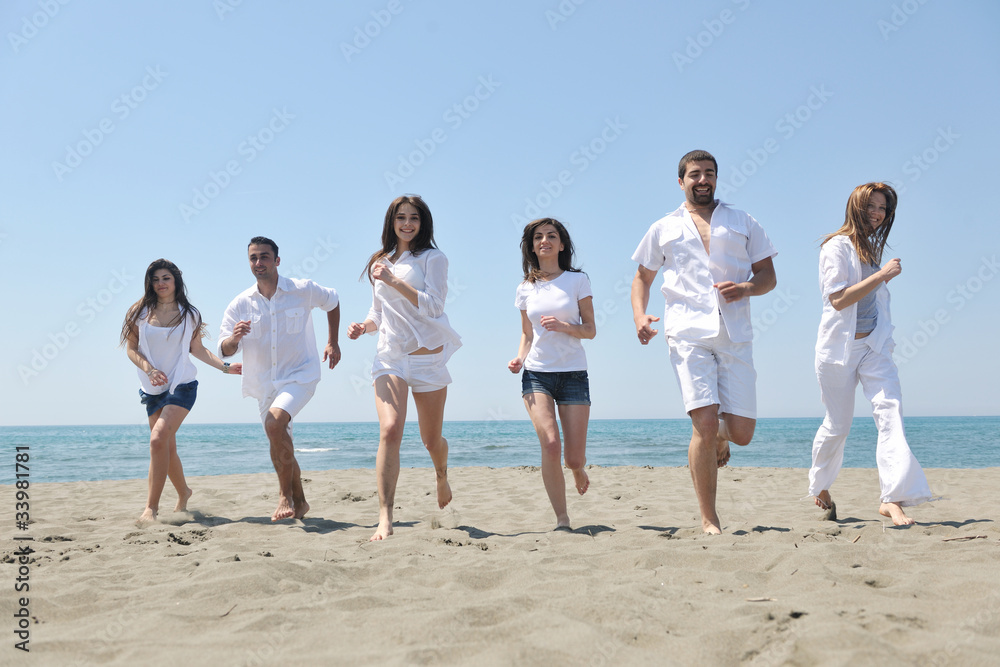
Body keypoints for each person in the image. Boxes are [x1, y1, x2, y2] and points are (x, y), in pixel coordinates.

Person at [631, 149, 777, 534]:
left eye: (709, 173)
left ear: (716, 178)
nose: (702, 179)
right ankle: (709, 518)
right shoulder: (663, 227)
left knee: (741, 433)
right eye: (694, 174)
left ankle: (722, 438)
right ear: (681, 181)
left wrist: (745, 287)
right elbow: (642, 278)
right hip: (686, 333)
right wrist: (640, 316)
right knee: (705, 424)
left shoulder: (743, 221)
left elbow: (768, 276)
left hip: (735, 334)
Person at [809, 182, 932, 525]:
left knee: (890, 412)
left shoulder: (871, 249)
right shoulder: (835, 247)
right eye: (872, 207)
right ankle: (819, 485)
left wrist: (880, 277)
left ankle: (892, 498)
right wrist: (881, 275)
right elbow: (838, 299)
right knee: (838, 425)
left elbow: (870, 298)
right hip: (839, 351)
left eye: (883, 209)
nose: (877, 214)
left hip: (875, 346)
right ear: (856, 207)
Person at [347, 195, 461, 541]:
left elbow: (434, 305)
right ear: (391, 222)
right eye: (401, 218)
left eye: (414, 218)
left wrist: (395, 281)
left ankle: (441, 473)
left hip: (427, 359)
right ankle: (385, 517)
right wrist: (362, 327)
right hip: (390, 356)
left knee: (430, 440)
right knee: (391, 429)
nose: (407, 224)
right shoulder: (379, 261)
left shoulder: (433, 258)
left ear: (423, 223)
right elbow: (378, 313)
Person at [218, 237, 341, 522]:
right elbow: (224, 348)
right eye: (253, 258)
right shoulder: (240, 304)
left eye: (264, 257)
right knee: (279, 437)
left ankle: (284, 495)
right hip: (263, 384)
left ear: (277, 260)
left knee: (275, 424)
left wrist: (332, 342)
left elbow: (333, 301)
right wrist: (234, 339)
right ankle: (301, 502)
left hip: (300, 375)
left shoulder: (303, 290)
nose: (258, 263)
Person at [121, 259, 242, 525]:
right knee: (166, 446)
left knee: (156, 440)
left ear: (176, 281)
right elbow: (131, 349)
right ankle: (184, 492)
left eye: (166, 278)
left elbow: (196, 349)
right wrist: (150, 369)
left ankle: (150, 509)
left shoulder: (190, 314)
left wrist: (225, 367)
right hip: (152, 389)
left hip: (182, 385)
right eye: (155, 279)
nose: (161, 283)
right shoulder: (138, 311)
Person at [507, 218, 595, 529]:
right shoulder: (524, 288)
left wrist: (564, 327)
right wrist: (519, 358)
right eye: (538, 237)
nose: (545, 240)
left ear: (561, 244)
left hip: (573, 375)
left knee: (572, 457)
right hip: (537, 374)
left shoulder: (577, 281)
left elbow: (590, 330)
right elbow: (527, 334)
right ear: (531, 246)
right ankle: (562, 518)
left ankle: (577, 469)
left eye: (551, 236)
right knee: (550, 444)